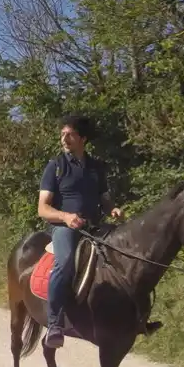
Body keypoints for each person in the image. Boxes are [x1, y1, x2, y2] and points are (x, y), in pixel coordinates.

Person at [37, 114, 136, 348]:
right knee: (66, 261)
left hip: (95, 226)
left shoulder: (96, 168)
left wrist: (113, 210)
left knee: (125, 254)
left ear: (83, 138)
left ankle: (132, 316)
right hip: (66, 227)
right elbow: (43, 208)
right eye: (62, 134)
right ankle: (54, 323)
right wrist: (65, 216)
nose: (64, 138)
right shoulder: (56, 167)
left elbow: (105, 199)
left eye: (69, 134)